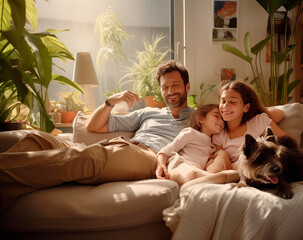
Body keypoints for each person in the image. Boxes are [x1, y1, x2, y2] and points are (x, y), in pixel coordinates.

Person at [0, 60, 193, 212]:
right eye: (164, 87)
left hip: (149, 157)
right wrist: (110, 102)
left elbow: (221, 141)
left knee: (89, 157)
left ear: (187, 87)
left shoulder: (199, 118)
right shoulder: (149, 113)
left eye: (175, 85)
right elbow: (94, 125)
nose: (169, 92)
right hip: (120, 147)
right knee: (38, 139)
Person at [181, 80, 288, 190]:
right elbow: (217, 154)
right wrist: (222, 153)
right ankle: (200, 184)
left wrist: (264, 112)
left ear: (246, 107)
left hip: (248, 170)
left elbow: (287, 140)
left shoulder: (258, 121)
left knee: (235, 167)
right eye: (223, 101)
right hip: (225, 171)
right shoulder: (219, 131)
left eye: (232, 102)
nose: (225, 106)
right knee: (218, 161)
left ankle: (197, 184)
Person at [156, 104, 229, 186]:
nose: (221, 121)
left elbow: (203, 164)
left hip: (197, 171)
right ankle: (214, 178)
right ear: (201, 118)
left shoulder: (213, 146)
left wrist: (208, 164)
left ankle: (208, 179)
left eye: (223, 119)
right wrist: (161, 166)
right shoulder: (190, 133)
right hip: (180, 165)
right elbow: (166, 150)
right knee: (190, 173)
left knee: (196, 173)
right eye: (216, 116)